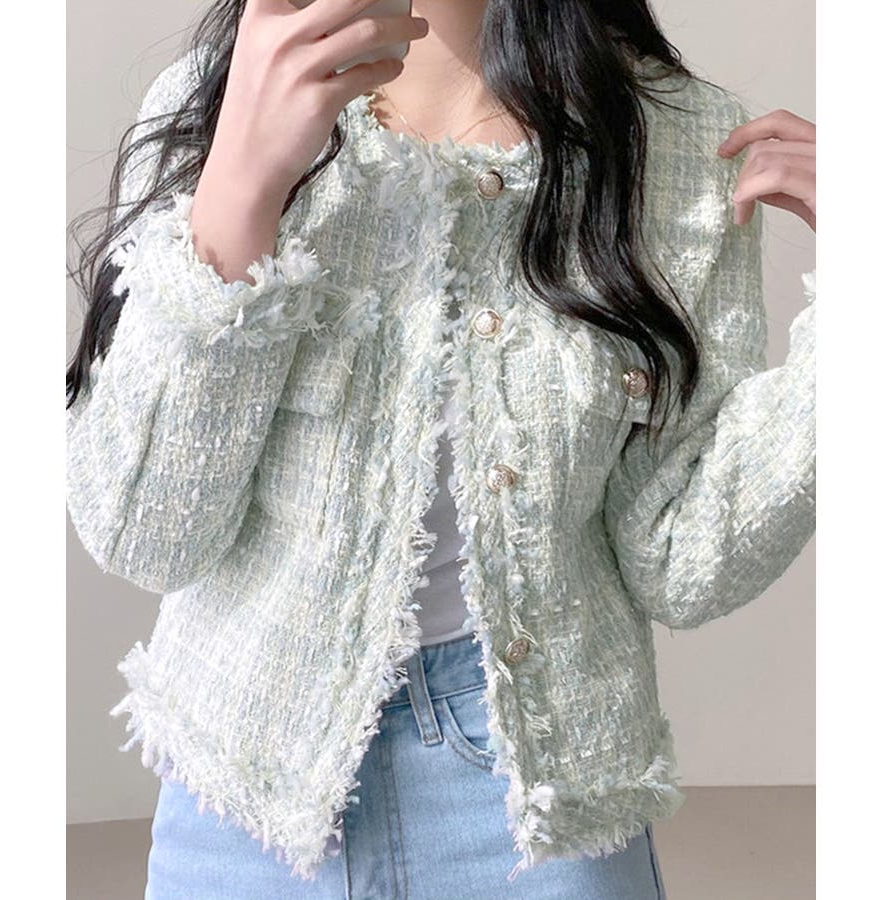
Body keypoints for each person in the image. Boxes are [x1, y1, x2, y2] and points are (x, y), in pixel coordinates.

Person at [65, 1, 816, 897]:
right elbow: (145, 535)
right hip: (242, 793)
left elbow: (679, 564)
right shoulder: (223, 94)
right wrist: (241, 187)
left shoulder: (685, 142)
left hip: (545, 812)